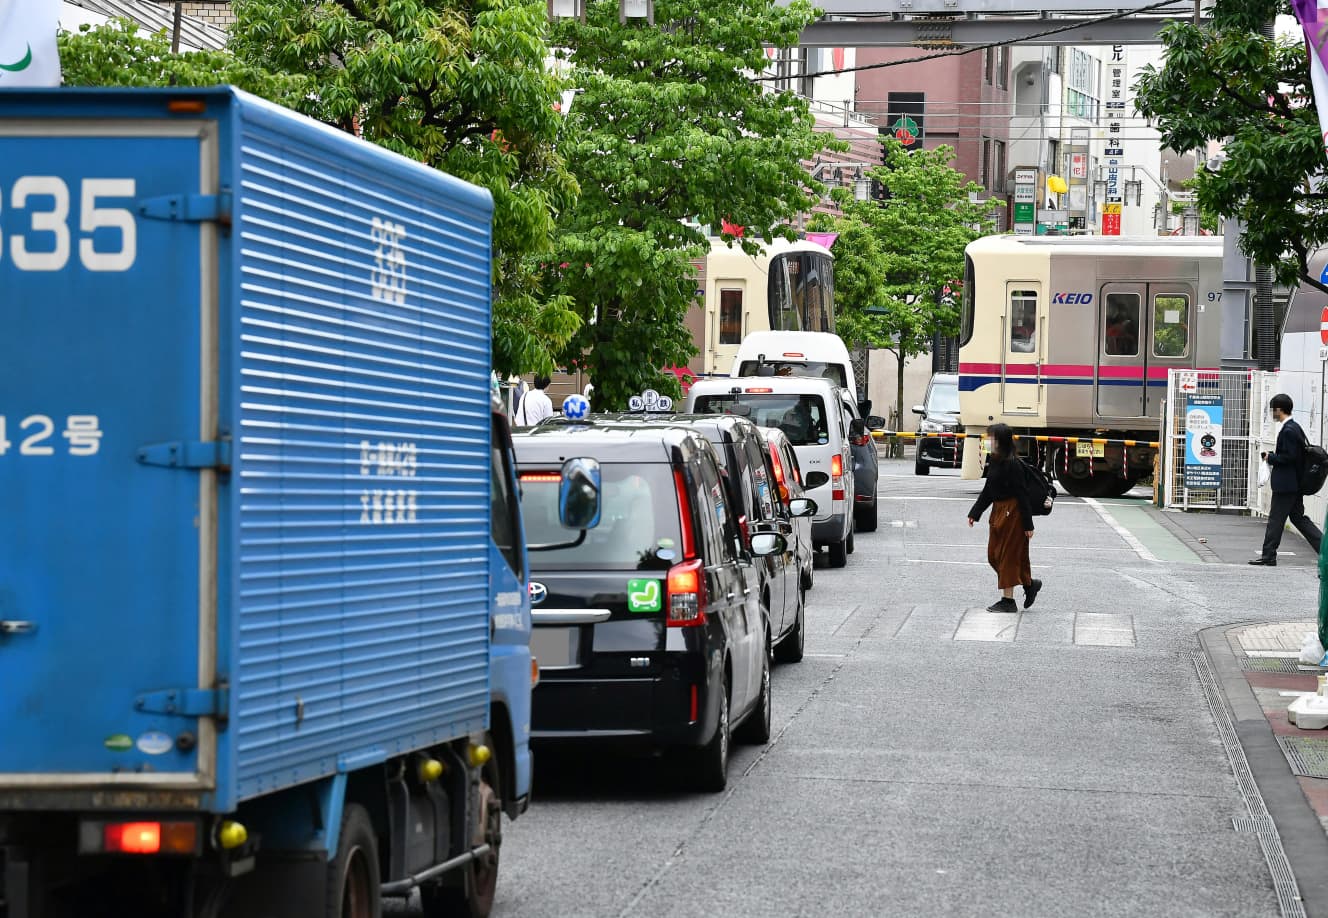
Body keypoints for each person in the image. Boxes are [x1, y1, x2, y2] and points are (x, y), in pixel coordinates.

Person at [967, 423, 1041, 612]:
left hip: (1013, 513)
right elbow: (988, 490)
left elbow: (1023, 494)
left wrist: (1028, 524)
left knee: (1007, 556)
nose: (986, 441)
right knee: (994, 555)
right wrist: (975, 512)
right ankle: (1029, 584)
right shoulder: (995, 460)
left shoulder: (1012, 464)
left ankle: (1008, 601)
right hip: (998, 511)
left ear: (1000, 441)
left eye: (990, 438)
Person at [1250, 393, 1322, 565]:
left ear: (1279, 410)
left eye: (1273, 410)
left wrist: (1271, 458)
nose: (1272, 413)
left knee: (1276, 520)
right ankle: (1324, 548)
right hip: (1294, 484)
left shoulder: (1288, 430)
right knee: (1299, 519)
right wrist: (1275, 456)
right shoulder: (1294, 427)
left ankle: (1268, 556)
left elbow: (1289, 457)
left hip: (1286, 485)